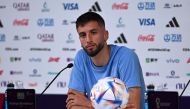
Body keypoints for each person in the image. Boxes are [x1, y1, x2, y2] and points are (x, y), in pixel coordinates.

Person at [66, 11, 145, 109]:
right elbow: (73, 105)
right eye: (83, 35)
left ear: (105, 35)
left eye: (93, 33)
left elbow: (133, 107)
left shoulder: (126, 57)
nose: (88, 39)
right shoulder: (81, 57)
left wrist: (90, 104)